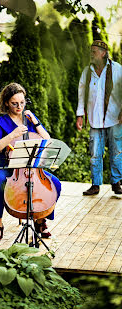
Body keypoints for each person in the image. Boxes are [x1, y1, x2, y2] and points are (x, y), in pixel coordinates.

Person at [0, 82, 61, 242]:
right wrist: (12, 135)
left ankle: (41, 220)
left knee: (55, 183)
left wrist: (35, 121)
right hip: (6, 168)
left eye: (22, 102)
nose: (19, 106)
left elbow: (47, 140)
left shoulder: (29, 119)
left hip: (31, 168)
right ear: (7, 102)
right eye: (15, 103)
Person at [76, 40, 122, 195]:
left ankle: (116, 182)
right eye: (91, 51)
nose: (91, 54)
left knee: (116, 152)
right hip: (95, 120)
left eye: (94, 51)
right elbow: (81, 94)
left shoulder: (117, 69)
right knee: (95, 153)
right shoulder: (87, 71)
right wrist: (80, 115)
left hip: (115, 119)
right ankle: (95, 185)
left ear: (103, 53)